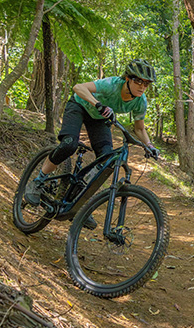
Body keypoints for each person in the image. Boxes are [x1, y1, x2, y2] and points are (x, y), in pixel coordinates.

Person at [25, 59, 160, 222]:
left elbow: (139, 129)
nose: (142, 86)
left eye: (147, 84)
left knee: (106, 160)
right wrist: (98, 104)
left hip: (98, 118)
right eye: (138, 81)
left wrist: (149, 145)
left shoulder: (140, 101)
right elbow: (78, 88)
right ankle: (38, 181)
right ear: (127, 79)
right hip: (79, 106)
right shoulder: (111, 85)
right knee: (69, 145)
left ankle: (78, 203)